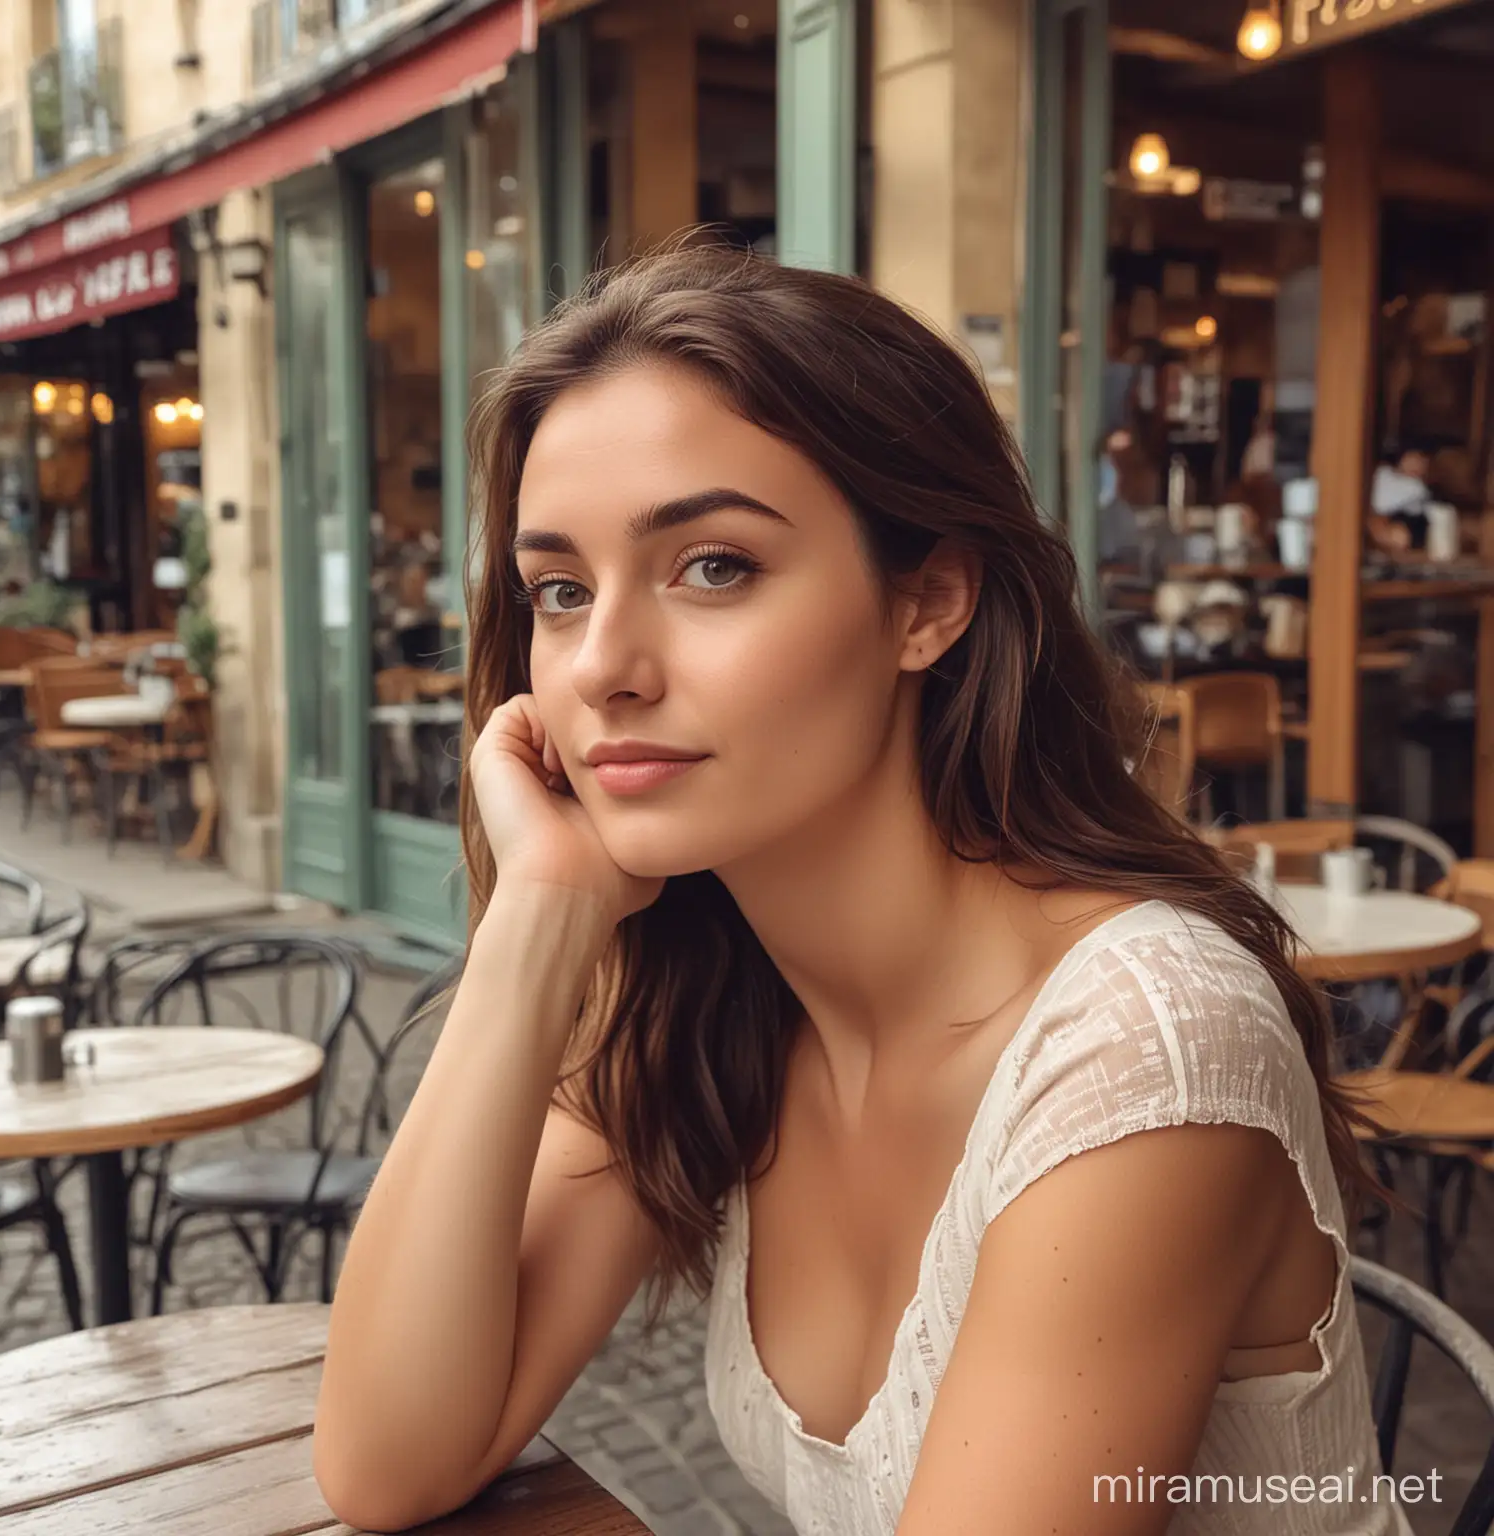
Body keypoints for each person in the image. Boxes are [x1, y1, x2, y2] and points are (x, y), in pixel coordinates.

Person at [314, 246, 1398, 1536]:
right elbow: (388, 1461)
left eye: (714, 565)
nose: (602, 665)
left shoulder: (1139, 1050)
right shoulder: (715, 997)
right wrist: (540, 925)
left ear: (928, 601)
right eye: (558, 590)